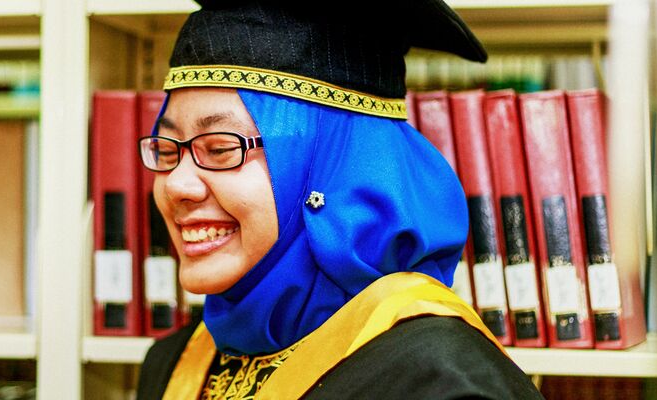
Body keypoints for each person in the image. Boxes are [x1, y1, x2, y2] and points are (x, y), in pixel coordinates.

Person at [134, 0, 545, 399]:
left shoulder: (440, 381)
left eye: (221, 148)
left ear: (337, 167)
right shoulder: (172, 365)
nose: (176, 185)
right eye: (167, 150)